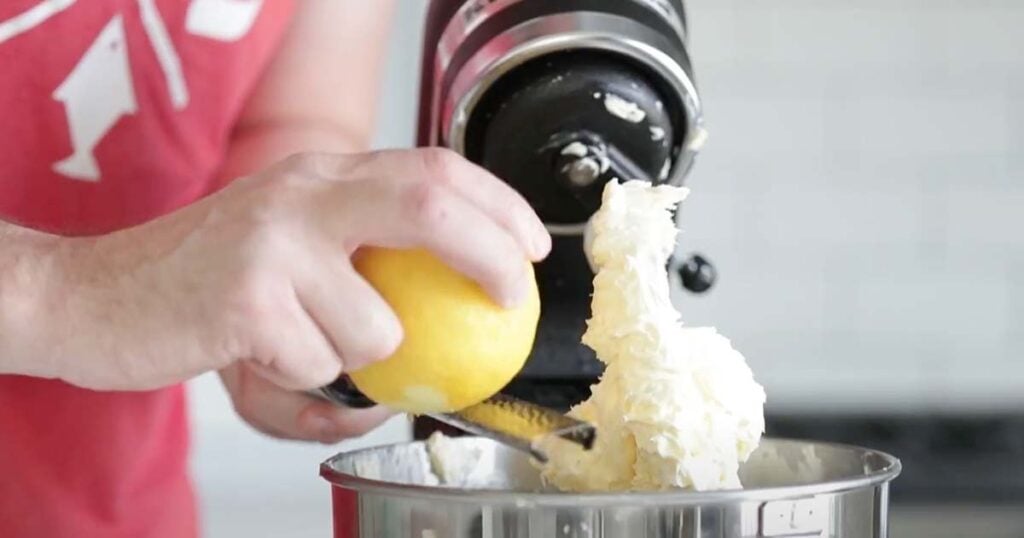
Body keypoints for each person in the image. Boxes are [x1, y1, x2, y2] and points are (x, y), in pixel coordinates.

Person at [0, 1, 551, 536]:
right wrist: (70, 295)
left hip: (107, 503)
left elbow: (291, 118)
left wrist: (289, 290)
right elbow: (90, 294)